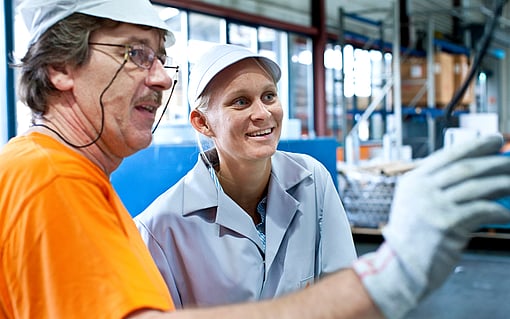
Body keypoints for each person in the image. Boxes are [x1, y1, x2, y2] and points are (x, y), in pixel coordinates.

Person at [2, 1, 510, 318]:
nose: (159, 78)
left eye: (161, 58)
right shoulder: (51, 180)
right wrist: (392, 275)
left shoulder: (83, 186)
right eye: (135, 54)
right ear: (63, 67)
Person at [134, 43, 358, 309]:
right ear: (202, 123)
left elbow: (345, 294)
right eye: (240, 102)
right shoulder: (161, 227)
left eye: (269, 96)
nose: (263, 114)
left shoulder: (312, 180)